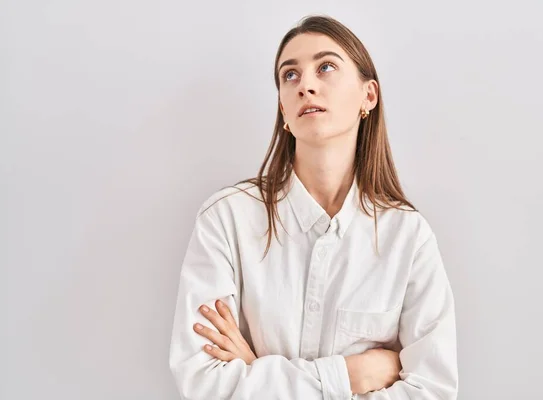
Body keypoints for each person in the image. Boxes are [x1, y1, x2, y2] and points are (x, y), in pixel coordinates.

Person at [169, 14, 458, 400]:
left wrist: (256, 373)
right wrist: (350, 376)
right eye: (290, 75)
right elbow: (203, 382)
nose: (305, 85)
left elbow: (432, 390)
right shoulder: (226, 220)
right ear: (284, 113)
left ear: (368, 96)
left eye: (325, 68)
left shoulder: (408, 237)